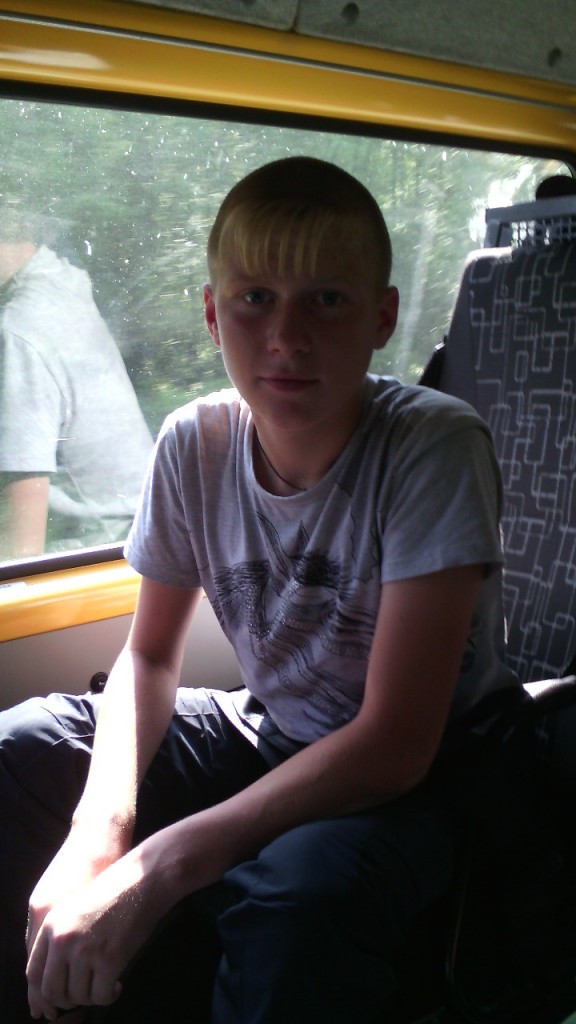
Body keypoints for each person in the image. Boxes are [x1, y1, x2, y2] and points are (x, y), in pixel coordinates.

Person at [0, 156, 520, 1024]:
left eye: (327, 299)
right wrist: (100, 834)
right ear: (213, 314)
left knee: (292, 902)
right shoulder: (192, 444)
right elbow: (149, 657)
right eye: (254, 298)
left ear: (382, 316)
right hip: (273, 727)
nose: (286, 335)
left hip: (434, 775)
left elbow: (396, 744)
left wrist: (158, 865)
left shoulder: (433, 447)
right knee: (25, 745)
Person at [0, 197, 153, 559]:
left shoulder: (19, 332)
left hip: (98, 548)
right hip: (146, 529)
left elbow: (22, 549)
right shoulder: (65, 282)